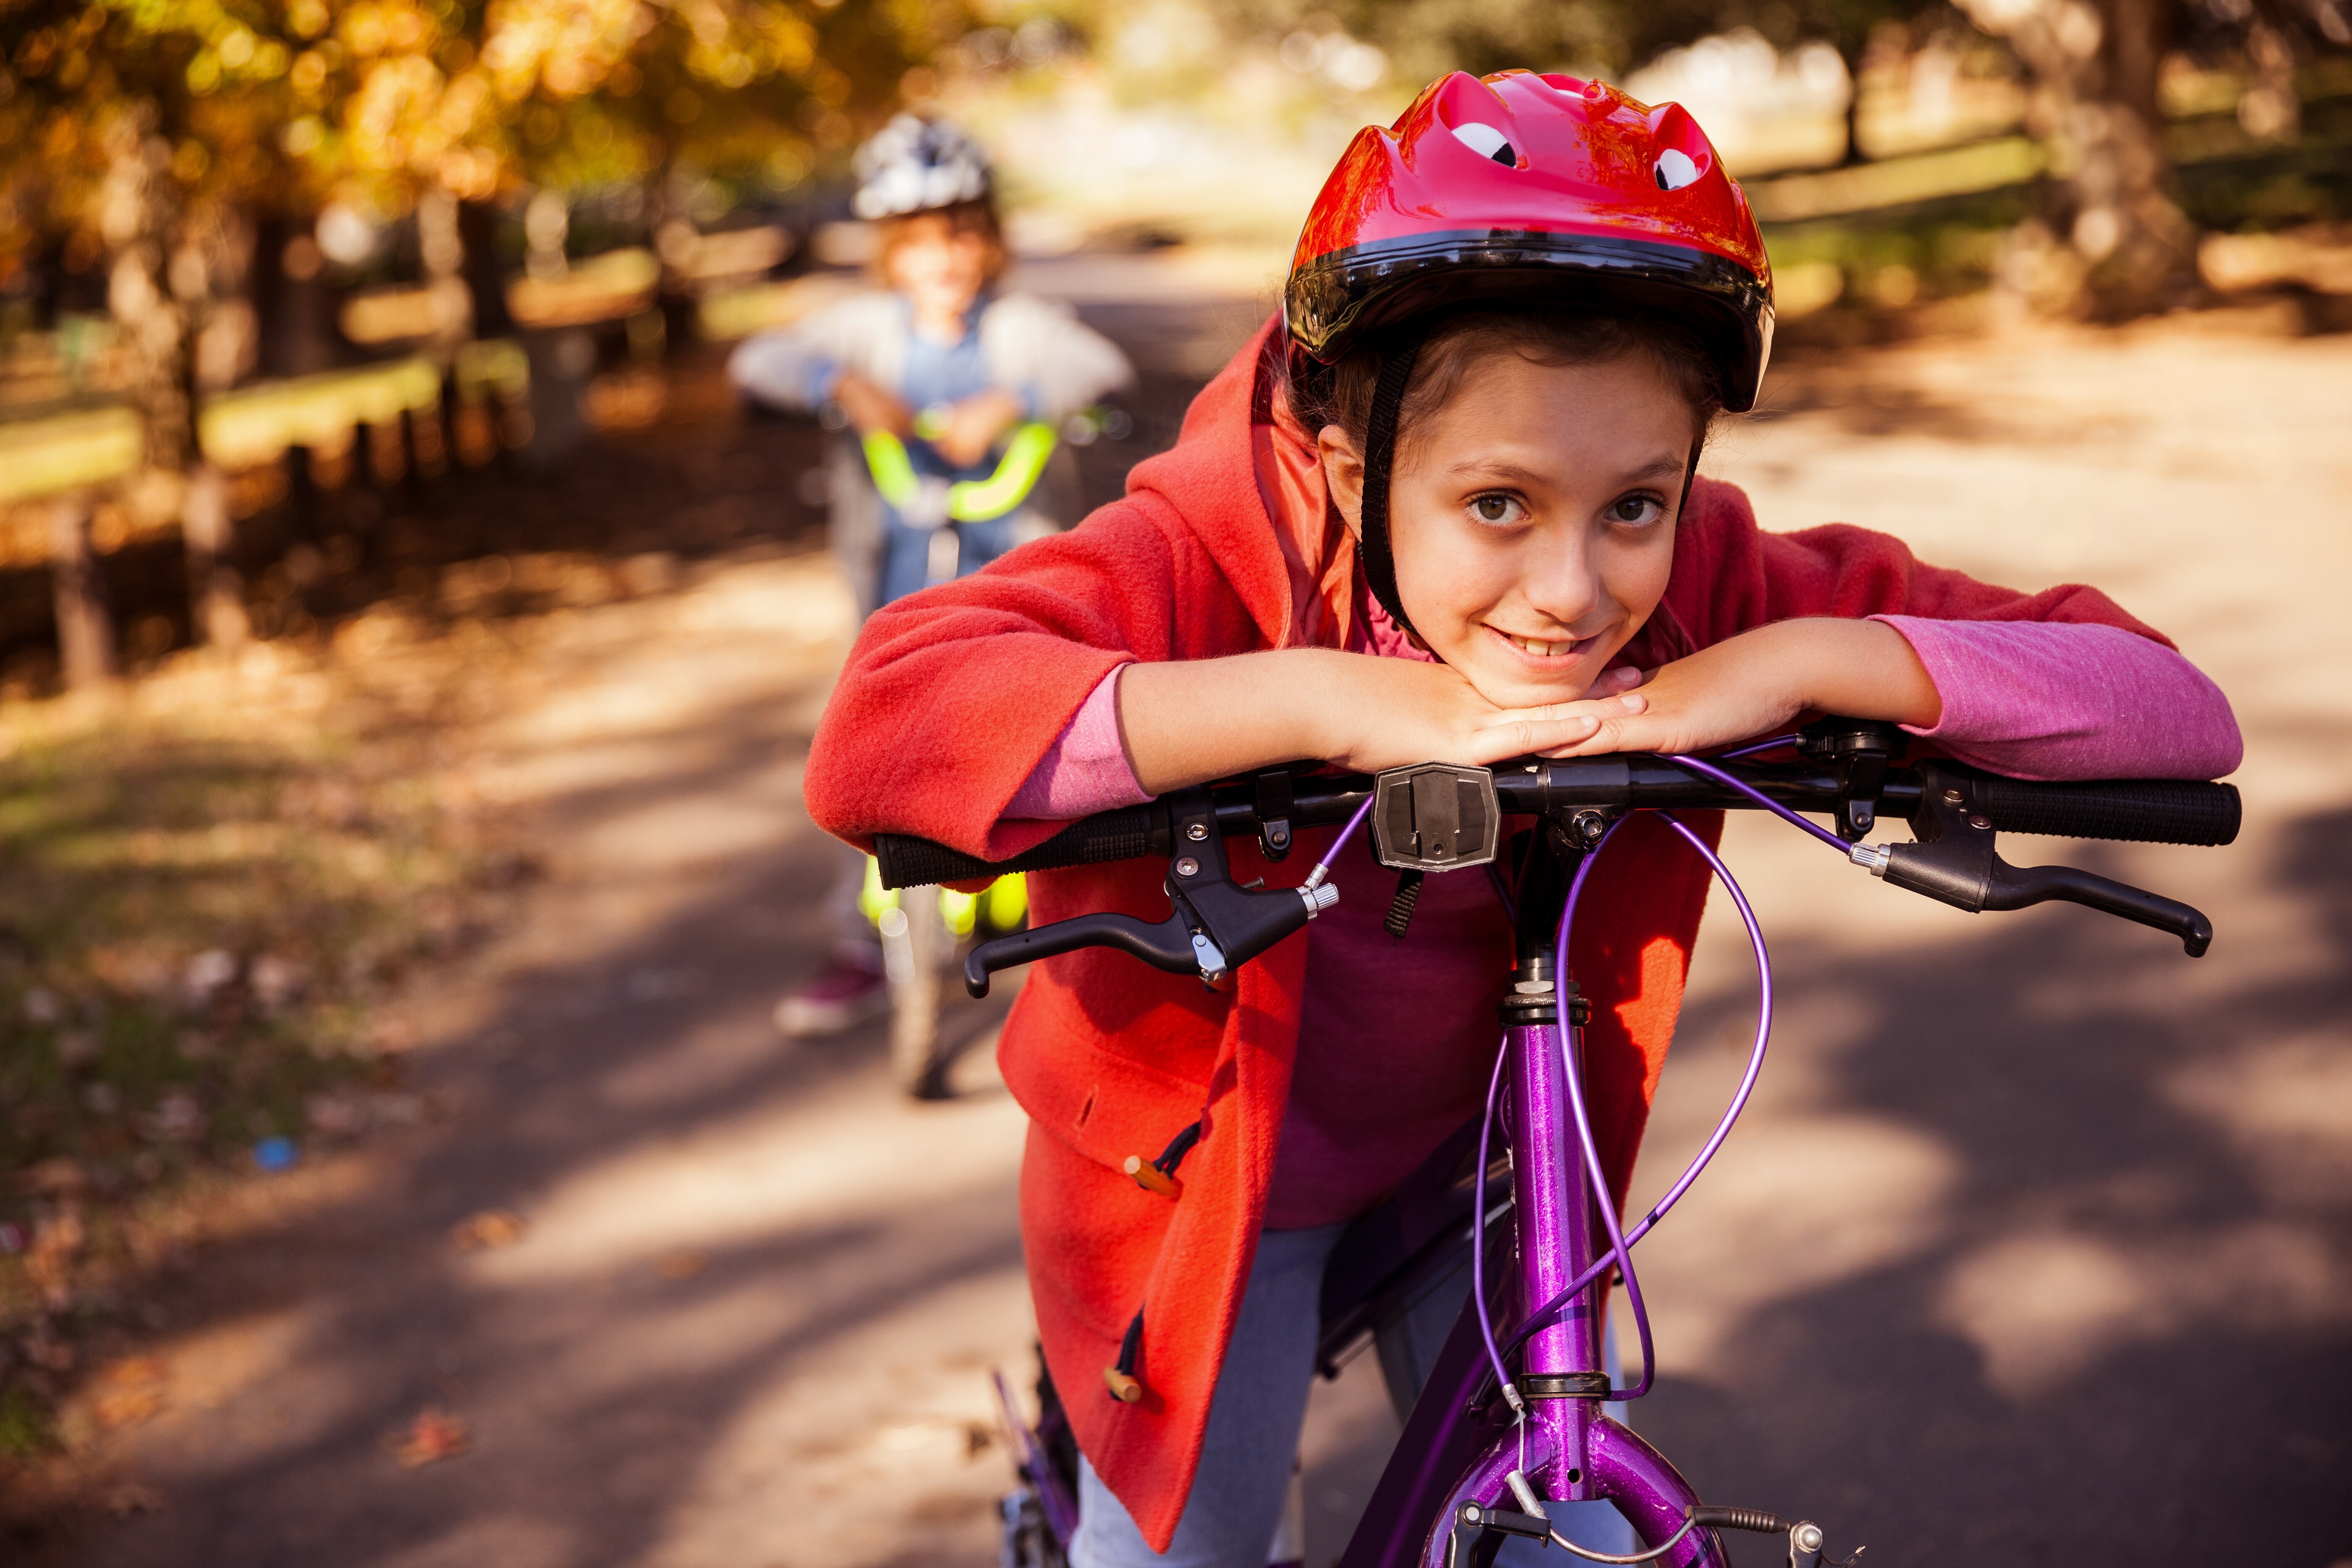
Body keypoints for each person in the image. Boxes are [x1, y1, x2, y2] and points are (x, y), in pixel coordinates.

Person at [802, 70, 2242, 1568]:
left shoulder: (1707, 591)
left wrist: (1802, 660)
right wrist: (1311, 704)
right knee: (1182, 1550)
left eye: (1634, 503)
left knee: (1570, 1525)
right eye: (1497, 504)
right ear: (1357, 473)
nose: (1570, 592)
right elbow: (879, 731)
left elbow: (2170, 705)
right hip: (1205, 1173)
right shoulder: (1197, 557)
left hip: (1477, 1156)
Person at [733, 114, 1134, 1037]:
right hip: (894, 593)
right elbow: (760, 359)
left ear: (989, 239)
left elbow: (1097, 364)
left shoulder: (1022, 328)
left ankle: (1065, 936)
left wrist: (1017, 401)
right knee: (867, 758)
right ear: (888, 253)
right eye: (917, 241)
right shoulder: (864, 329)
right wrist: (842, 383)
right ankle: (860, 947)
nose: (944, 258)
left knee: (1047, 748)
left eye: (961, 234)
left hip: (1017, 591)